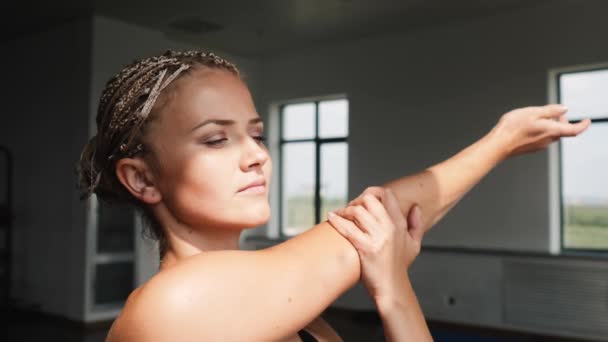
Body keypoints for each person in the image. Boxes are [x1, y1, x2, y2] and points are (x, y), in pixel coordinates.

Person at [77, 50, 590, 341]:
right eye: (215, 139)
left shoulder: (302, 317)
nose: (257, 155)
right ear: (142, 179)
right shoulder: (173, 308)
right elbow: (383, 208)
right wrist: (498, 144)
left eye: (256, 134)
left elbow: (387, 219)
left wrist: (393, 291)